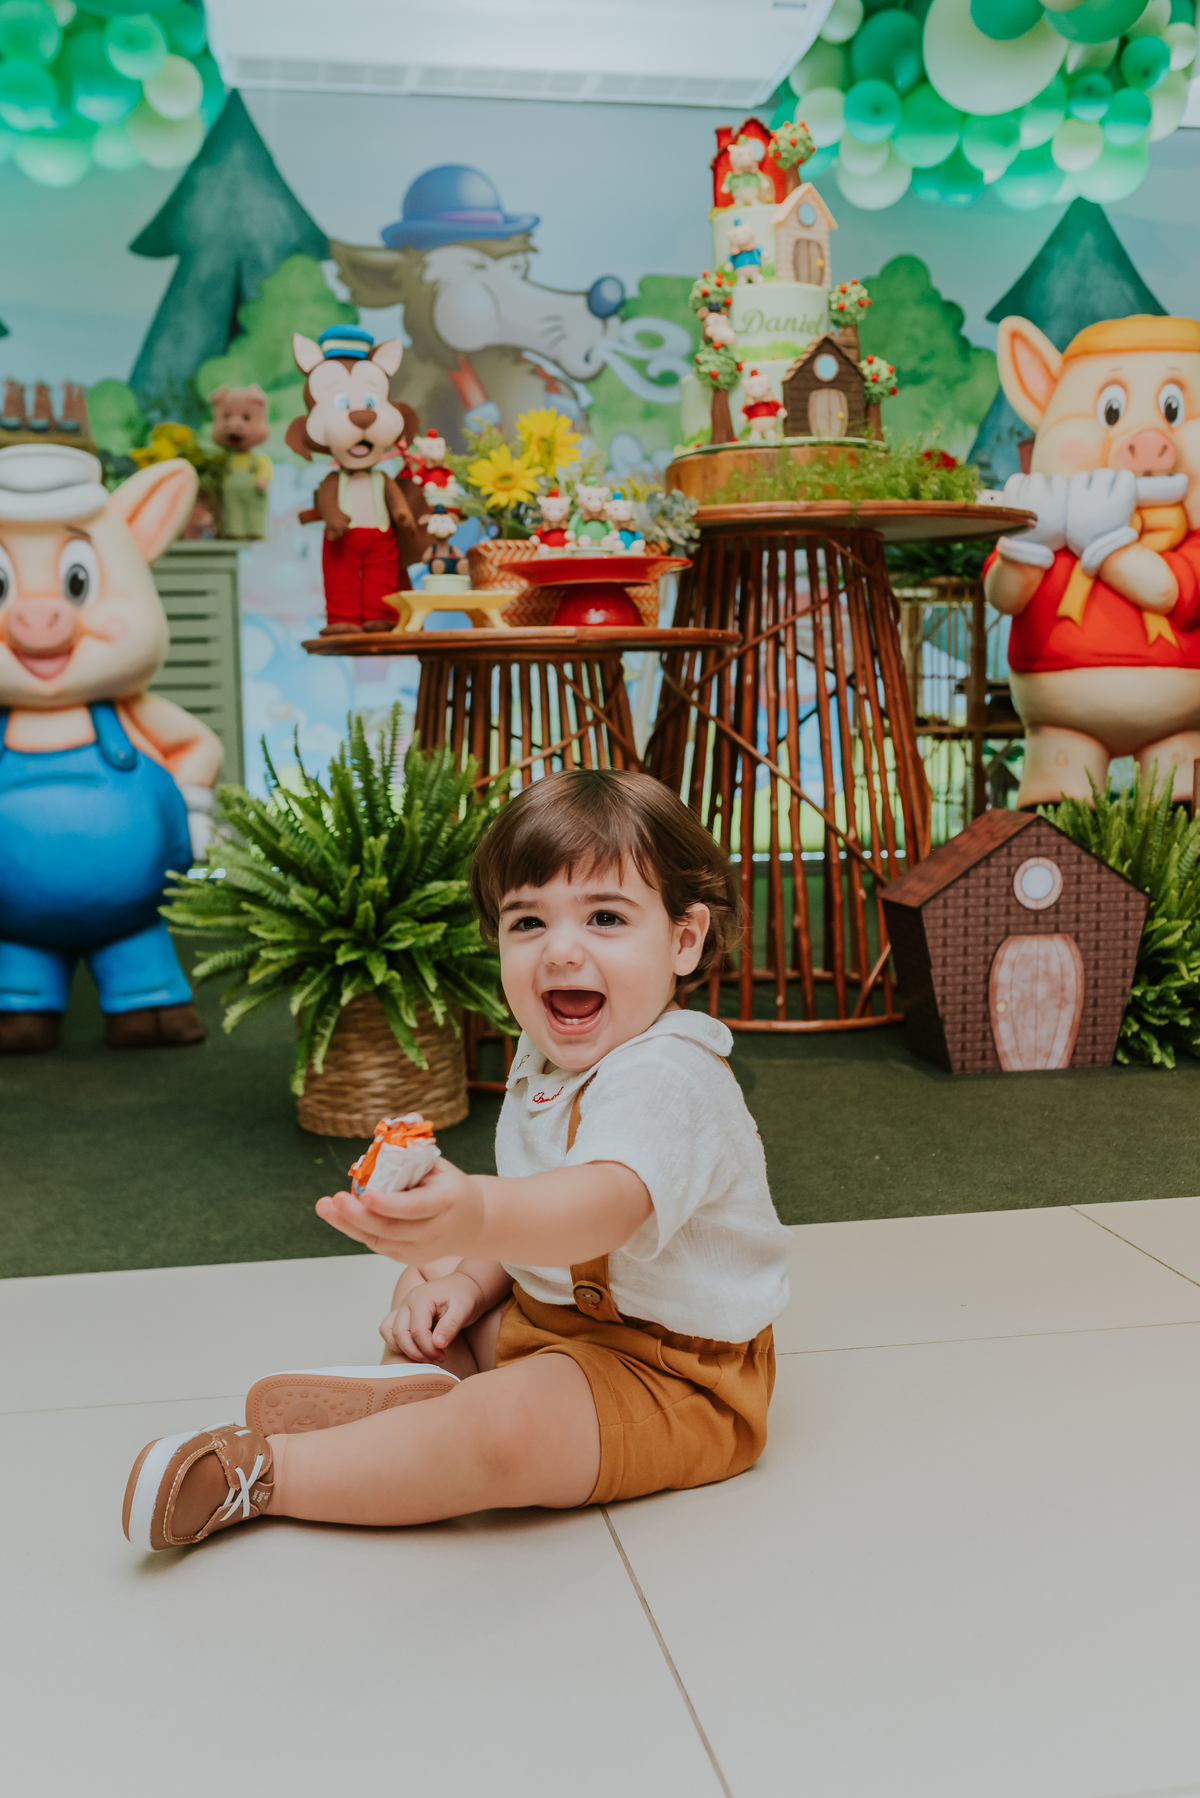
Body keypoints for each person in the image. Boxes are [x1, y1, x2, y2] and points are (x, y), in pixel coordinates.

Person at [122, 770, 792, 1552]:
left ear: (683, 940)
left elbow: (598, 1210)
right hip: (551, 1324)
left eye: (605, 918)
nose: (560, 951)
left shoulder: (671, 1076)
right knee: (430, 1280)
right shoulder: (545, 1060)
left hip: (673, 1376)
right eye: (528, 922)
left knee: (501, 1431)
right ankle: (418, 1399)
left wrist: (474, 1212)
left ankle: (266, 1474)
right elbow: (530, 1209)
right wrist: (467, 1282)